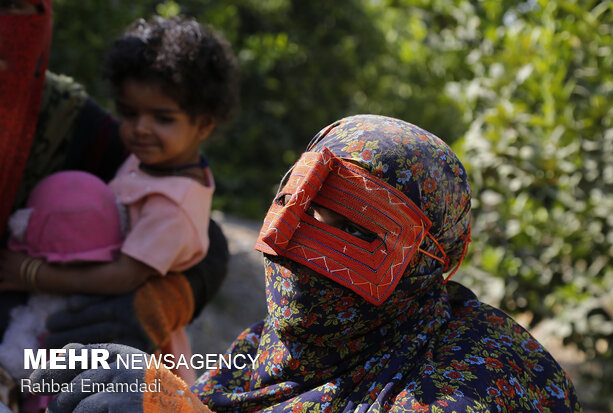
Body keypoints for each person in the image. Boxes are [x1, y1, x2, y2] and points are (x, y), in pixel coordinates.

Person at [30, 115, 582, 412]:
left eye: (358, 232)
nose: (302, 253)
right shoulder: (267, 351)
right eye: (305, 210)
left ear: (432, 262)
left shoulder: (489, 379)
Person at [0, 2, 234, 410]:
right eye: (129, 114)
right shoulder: (146, 159)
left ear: (204, 123)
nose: (141, 127)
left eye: (161, 118)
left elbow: (136, 270)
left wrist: (34, 273)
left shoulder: (169, 194)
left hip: (108, 342)